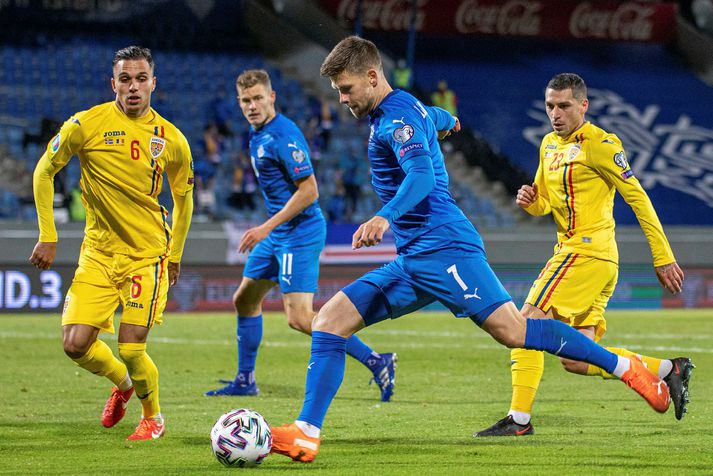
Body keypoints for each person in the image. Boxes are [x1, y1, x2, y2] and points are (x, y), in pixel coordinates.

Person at [267, 36, 673, 463]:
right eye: (337, 91)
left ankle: (626, 369)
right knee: (329, 321)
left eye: (347, 89)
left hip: (445, 249)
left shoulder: (395, 121)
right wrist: (449, 122)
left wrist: (384, 216)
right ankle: (306, 434)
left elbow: (421, 177)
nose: (343, 98)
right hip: (413, 258)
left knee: (514, 331)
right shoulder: (407, 107)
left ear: (372, 77)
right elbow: (436, 117)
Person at [474, 73, 693, 437]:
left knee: (525, 322)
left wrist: (663, 255)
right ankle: (670, 370)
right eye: (549, 106)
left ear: (583, 105)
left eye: (564, 106)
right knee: (575, 359)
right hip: (590, 259)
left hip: (586, 253)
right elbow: (544, 202)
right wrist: (531, 202)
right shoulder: (548, 145)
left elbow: (638, 198)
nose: (555, 114)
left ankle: (519, 420)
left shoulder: (601, 144)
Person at [29, 46, 194, 441]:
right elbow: (43, 171)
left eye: (141, 79)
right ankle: (123, 385)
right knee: (74, 344)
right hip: (98, 254)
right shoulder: (85, 125)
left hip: (146, 255)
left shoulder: (172, 140)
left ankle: (153, 418)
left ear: (154, 83)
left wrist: (175, 254)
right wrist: (48, 235)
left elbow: (184, 200)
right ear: (113, 83)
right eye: (125, 79)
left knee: (132, 347)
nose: (133, 87)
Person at [205, 69, 397, 401]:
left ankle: (377, 360)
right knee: (244, 299)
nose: (252, 106)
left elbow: (309, 191)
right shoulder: (257, 134)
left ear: (272, 97)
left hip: (300, 233)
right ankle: (245, 379)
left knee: (299, 318)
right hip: (279, 233)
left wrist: (265, 227)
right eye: (246, 101)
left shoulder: (283, 136)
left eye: (258, 98)